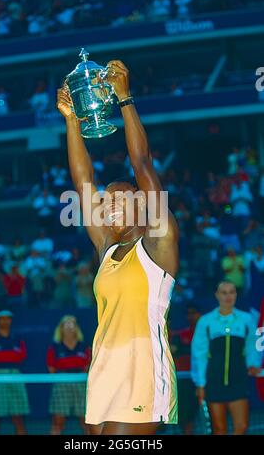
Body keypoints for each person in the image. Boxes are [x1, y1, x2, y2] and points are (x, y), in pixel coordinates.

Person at [57, 59, 179, 435]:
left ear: (143, 204)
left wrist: (125, 100)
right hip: (104, 365)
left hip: (143, 367)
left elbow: (141, 164)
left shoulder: (158, 242)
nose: (108, 204)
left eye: (119, 198)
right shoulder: (107, 248)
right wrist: (72, 121)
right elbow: (82, 184)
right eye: (107, 200)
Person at [191, 281, 262, 435]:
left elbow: (252, 346)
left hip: (238, 381)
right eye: (224, 292)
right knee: (219, 429)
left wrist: (253, 364)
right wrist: (200, 384)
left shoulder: (246, 319)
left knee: (242, 426)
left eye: (232, 292)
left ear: (236, 294)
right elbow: (199, 354)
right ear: (217, 295)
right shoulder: (206, 321)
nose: (228, 296)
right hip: (213, 382)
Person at [47, 315, 91, 435]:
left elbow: (88, 365)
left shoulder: (84, 346)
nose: (70, 326)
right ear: (61, 328)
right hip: (62, 385)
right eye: (66, 324)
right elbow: (51, 369)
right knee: (57, 424)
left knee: (87, 424)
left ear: (76, 327)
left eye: (72, 324)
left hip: (81, 385)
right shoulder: (54, 348)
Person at [170, 302, 201, 434]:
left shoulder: (210, 331)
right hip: (184, 380)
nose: (191, 316)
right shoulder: (181, 335)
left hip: (206, 379)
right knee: (186, 418)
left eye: (194, 313)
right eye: (188, 314)